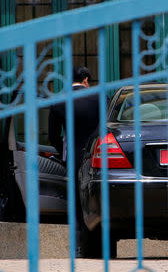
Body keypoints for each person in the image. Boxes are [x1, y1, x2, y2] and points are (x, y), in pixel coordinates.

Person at [48, 65, 100, 257]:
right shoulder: (100, 97)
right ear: (86, 80)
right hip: (98, 156)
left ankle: (79, 248)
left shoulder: (59, 101)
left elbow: (53, 136)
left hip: (74, 159)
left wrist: (64, 154)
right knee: (97, 199)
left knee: (78, 202)